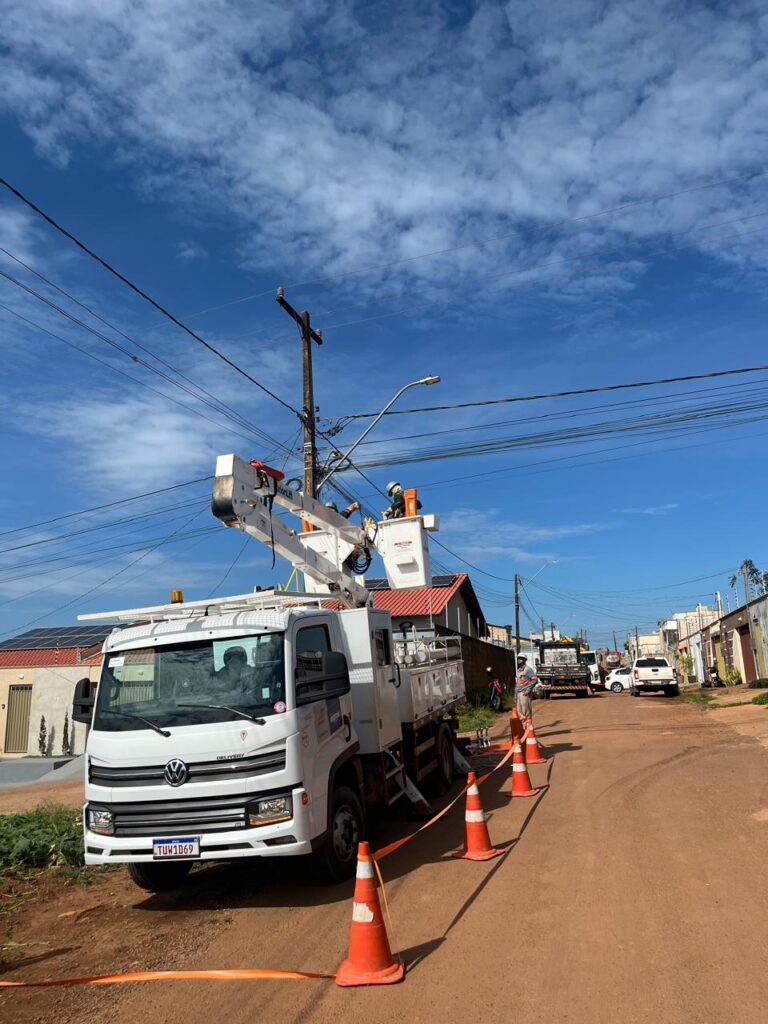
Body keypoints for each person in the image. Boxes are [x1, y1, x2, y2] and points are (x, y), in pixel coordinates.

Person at [515, 654, 538, 724]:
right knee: (520, 712)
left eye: (521, 658)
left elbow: (534, 680)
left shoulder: (528, 669)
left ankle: (528, 730)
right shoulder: (518, 670)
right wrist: (515, 695)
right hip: (518, 693)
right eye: (518, 658)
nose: (519, 659)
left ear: (525, 660)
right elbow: (517, 683)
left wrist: (528, 690)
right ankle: (524, 729)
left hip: (524, 693)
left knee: (526, 712)